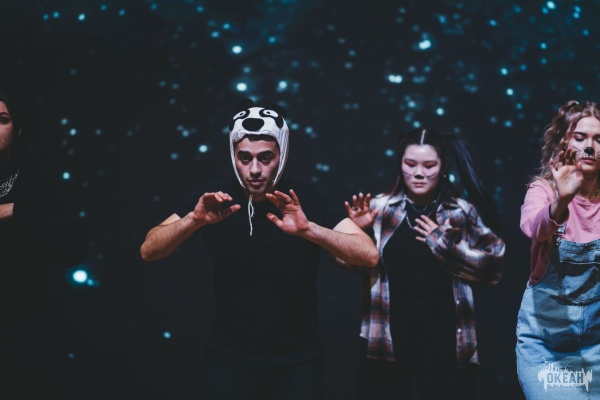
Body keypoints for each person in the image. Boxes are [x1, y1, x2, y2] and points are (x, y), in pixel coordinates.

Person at [139, 98, 379, 400]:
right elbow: (149, 250)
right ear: (233, 155)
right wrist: (193, 220)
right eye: (245, 157)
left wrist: (308, 229)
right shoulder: (214, 199)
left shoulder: (305, 198)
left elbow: (368, 254)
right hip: (230, 357)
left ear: (282, 154)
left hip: (298, 360)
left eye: (265, 158)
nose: (254, 169)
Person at [342, 127, 505, 400]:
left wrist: (442, 243)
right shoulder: (379, 208)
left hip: (445, 340)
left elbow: (494, 266)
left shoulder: (460, 212)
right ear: (400, 164)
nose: (418, 173)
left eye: (429, 165)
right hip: (387, 338)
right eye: (410, 164)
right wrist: (360, 232)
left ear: (443, 167)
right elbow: (350, 264)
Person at [0, 88, 88, 399]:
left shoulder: (36, 180)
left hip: (21, 318)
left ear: (18, 129)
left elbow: (75, 247)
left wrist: (16, 210)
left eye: (2, 120)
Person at [516, 100, 600, 399]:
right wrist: (562, 200)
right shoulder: (544, 190)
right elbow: (532, 227)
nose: (589, 147)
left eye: (598, 139)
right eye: (580, 137)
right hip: (546, 347)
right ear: (563, 142)